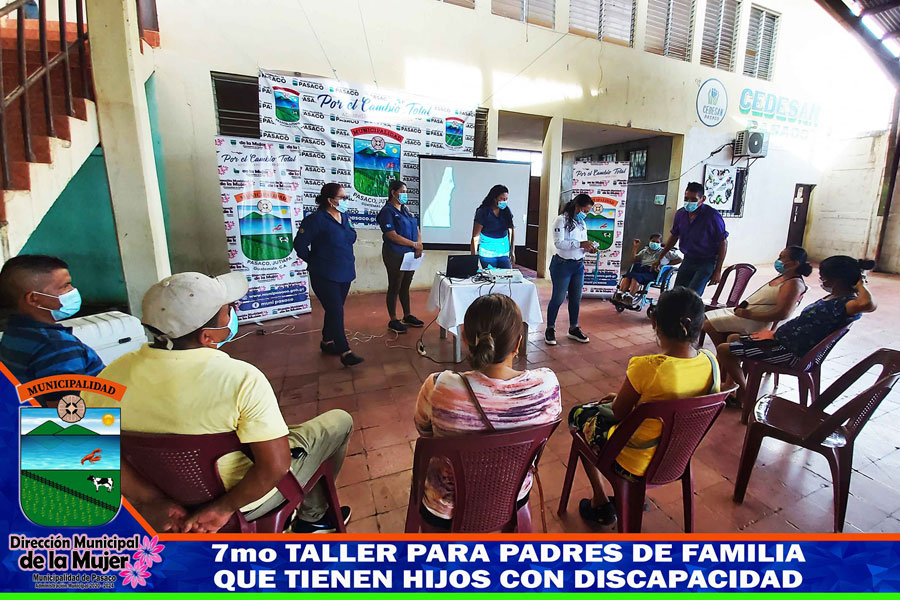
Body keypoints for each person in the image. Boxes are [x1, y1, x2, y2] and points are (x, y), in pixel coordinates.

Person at [83, 271, 353, 534]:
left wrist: (150, 499)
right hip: (245, 500)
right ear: (207, 336)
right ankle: (314, 519)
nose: (233, 313)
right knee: (339, 422)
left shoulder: (108, 378)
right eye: (227, 311)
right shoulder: (241, 379)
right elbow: (275, 466)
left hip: (165, 495)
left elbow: (93, 451)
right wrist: (222, 508)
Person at [568, 287, 719, 526]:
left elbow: (617, 413)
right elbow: (673, 401)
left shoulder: (647, 367)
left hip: (634, 463)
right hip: (676, 457)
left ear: (654, 322)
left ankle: (600, 500)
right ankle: (631, 498)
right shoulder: (711, 362)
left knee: (578, 415)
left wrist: (620, 400)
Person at [414, 294, 561, 528]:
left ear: (464, 338)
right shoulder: (547, 386)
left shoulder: (439, 387)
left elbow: (424, 431)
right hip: (513, 496)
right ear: (518, 343)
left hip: (446, 509)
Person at [716, 256, 877, 403]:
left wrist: (861, 284)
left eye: (824, 276)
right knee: (732, 338)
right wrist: (775, 334)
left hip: (791, 354)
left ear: (837, 280)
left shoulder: (846, 304)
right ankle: (732, 386)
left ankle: (745, 395)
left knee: (724, 349)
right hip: (783, 342)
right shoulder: (834, 299)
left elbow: (868, 304)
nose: (821, 280)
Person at [0, 255, 103, 405]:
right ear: (34, 299)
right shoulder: (57, 346)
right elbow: (66, 413)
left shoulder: (14, 332)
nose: (72, 291)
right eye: (65, 286)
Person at [294, 183, 363, 367]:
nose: (346, 201)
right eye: (342, 198)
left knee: (335, 308)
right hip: (324, 274)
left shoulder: (344, 216)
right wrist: (314, 260)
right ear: (330, 200)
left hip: (345, 271)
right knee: (336, 310)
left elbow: (351, 235)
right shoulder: (315, 220)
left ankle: (326, 341)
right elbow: (300, 244)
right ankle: (345, 350)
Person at [702, 246, 811, 347]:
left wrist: (749, 314)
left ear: (794, 264)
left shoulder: (793, 284)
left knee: (708, 324)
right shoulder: (784, 276)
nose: (778, 261)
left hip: (757, 321)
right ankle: (726, 350)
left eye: (782, 258)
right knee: (705, 317)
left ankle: (724, 352)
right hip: (746, 313)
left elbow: (782, 314)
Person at [653, 182, 728, 295]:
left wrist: (718, 270)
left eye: (693, 199)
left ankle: (690, 307)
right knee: (677, 293)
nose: (689, 202)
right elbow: (674, 236)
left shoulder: (712, 216)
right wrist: (660, 257)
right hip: (688, 259)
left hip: (707, 261)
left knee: (692, 294)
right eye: (686, 198)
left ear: (702, 199)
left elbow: (723, 242)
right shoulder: (680, 214)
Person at [545, 194, 596, 346]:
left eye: (588, 212)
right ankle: (550, 328)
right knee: (558, 298)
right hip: (562, 265)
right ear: (577, 207)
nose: (585, 214)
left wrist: (588, 248)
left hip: (578, 265)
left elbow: (582, 243)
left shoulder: (581, 223)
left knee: (576, 298)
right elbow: (559, 243)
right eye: (585, 211)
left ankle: (573, 328)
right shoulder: (561, 220)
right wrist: (580, 244)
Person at [377, 180, 425, 334]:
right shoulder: (387, 211)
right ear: (393, 193)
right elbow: (391, 235)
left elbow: (416, 228)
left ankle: (407, 315)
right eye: (402, 192)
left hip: (411, 254)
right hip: (395, 253)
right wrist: (414, 244)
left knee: (405, 284)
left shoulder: (406, 210)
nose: (405, 194)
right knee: (395, 284)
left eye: (406, 192)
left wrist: (418, 244)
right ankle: (393, 319)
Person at [615, 234, 682, 304]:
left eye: (657, 242)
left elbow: (679, 259)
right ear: (649, 241)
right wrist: (635, 247)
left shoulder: (664, 252)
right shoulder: (644, 251)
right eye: (653, 241)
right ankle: (620, 294)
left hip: (653, 271)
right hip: (641, 269)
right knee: (627, 276)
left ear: (660, 243)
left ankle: (630, 297)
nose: (655, 243)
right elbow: (633, 260)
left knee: (635, 277)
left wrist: (666, 265)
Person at [471, 184, 515, 269]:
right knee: (491, 275)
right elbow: (475, 237)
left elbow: (511, 231)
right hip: (487, 253)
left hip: (504, 252)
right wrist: (473, 259)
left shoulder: (506, 211)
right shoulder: (483, 212)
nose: (504, 201)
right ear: (494, 198)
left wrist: (512, 251)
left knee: (507, 275)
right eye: (502, 199)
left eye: (506, 199)